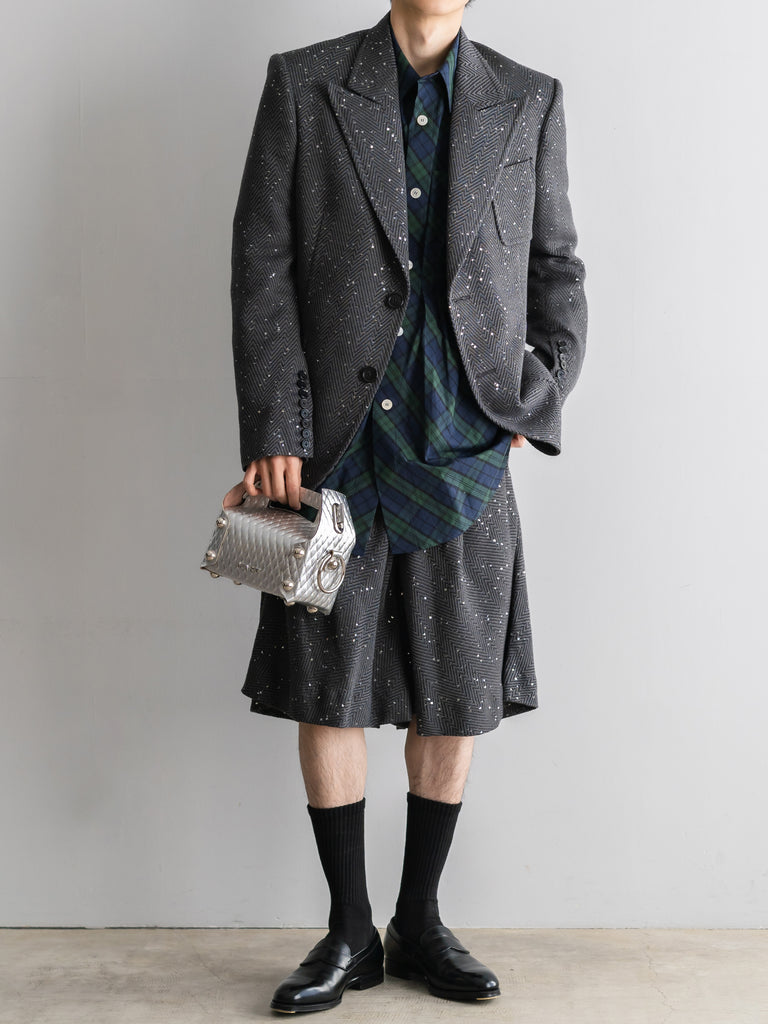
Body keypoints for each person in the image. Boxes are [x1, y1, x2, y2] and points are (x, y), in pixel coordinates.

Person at [225, 0, 587, 1013]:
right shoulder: (302, 82)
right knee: (323, 683)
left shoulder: (529, 99)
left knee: (455, 685)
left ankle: (419, 922)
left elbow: (557, 268)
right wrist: (276, 424)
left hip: (464, 446)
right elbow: (260, 263)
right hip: (330, 451)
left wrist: (531, 398)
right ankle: (348, 932)